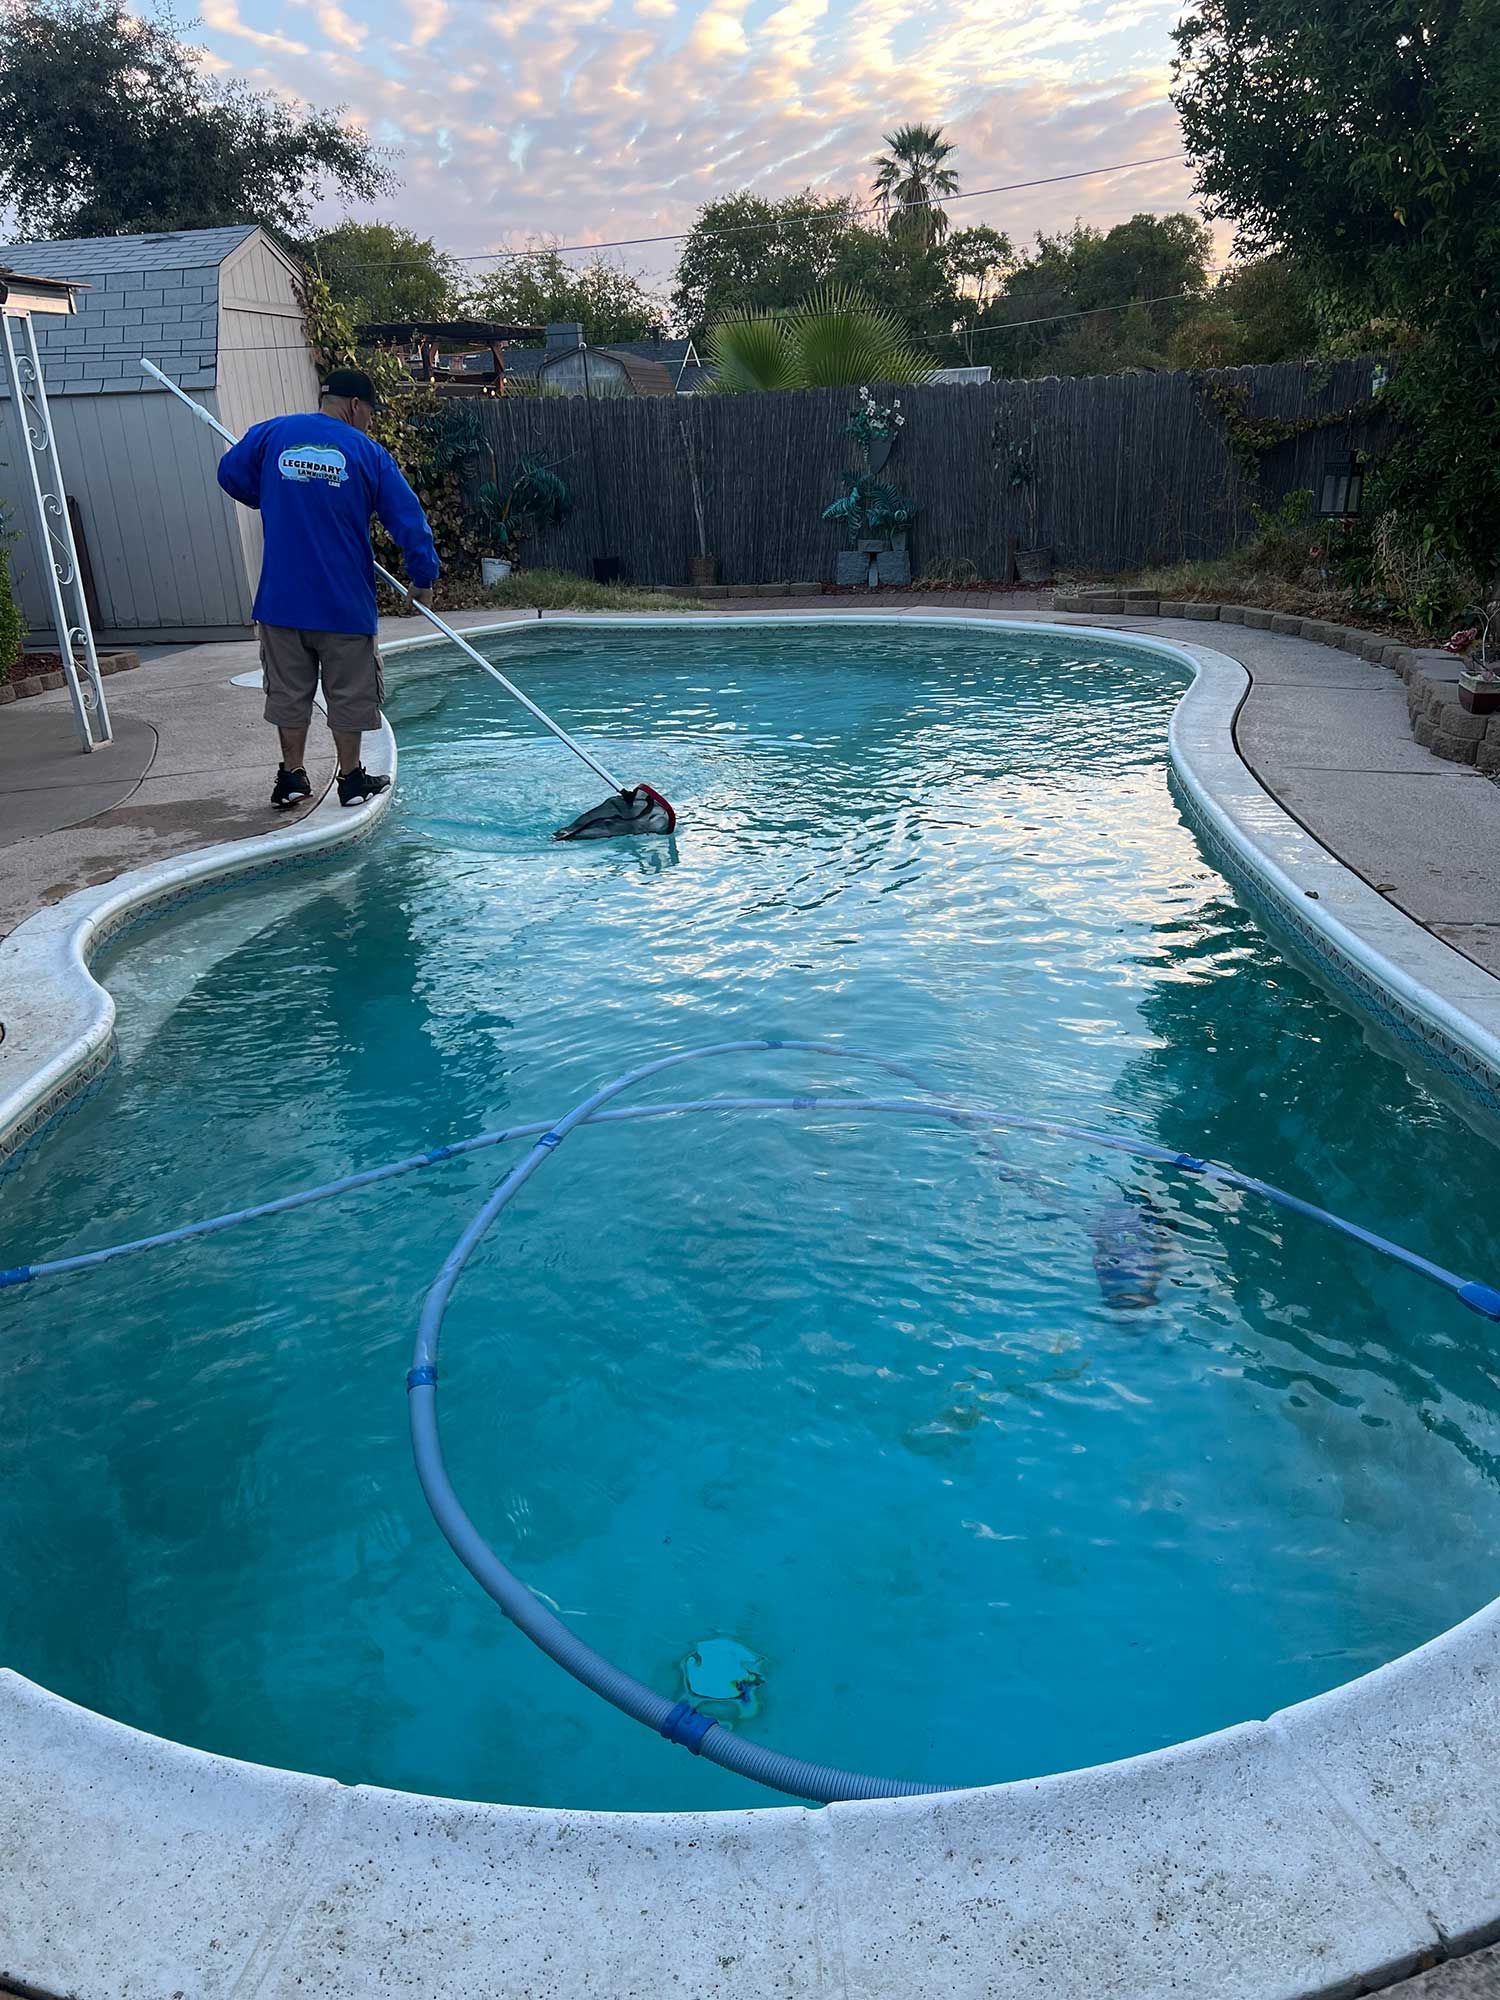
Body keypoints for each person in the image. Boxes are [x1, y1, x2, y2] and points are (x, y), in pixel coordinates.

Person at [216, 367, 440, 809]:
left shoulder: (272, 434)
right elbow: (408, 519)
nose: (371, 421)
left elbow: (229, 473)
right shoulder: (368, 453)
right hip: (343, 604)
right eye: (371, 412)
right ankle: (352, 780)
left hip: (281, 602)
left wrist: (272, 495)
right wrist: (424, 577)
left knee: (288, 694)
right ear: (355, 406)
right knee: (349, 693)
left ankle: (292, 776)